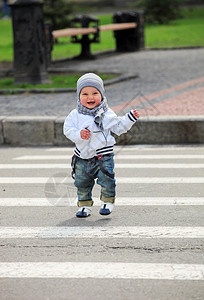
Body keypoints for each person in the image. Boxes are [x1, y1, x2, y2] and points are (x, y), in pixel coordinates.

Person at [63, 73, 139, 218]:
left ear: (102, 94)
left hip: (102, 156)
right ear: (78, 96)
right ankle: (84, 205)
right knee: (81, 182)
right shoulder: (75, 115)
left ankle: (107, 202)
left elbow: (118, 127)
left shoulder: (106, 113)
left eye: (95, 93)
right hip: (82, 156)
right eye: (85, 94)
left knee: (107, 179)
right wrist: (79, 134)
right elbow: (67, 130)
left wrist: (129, 119)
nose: (90, 97)